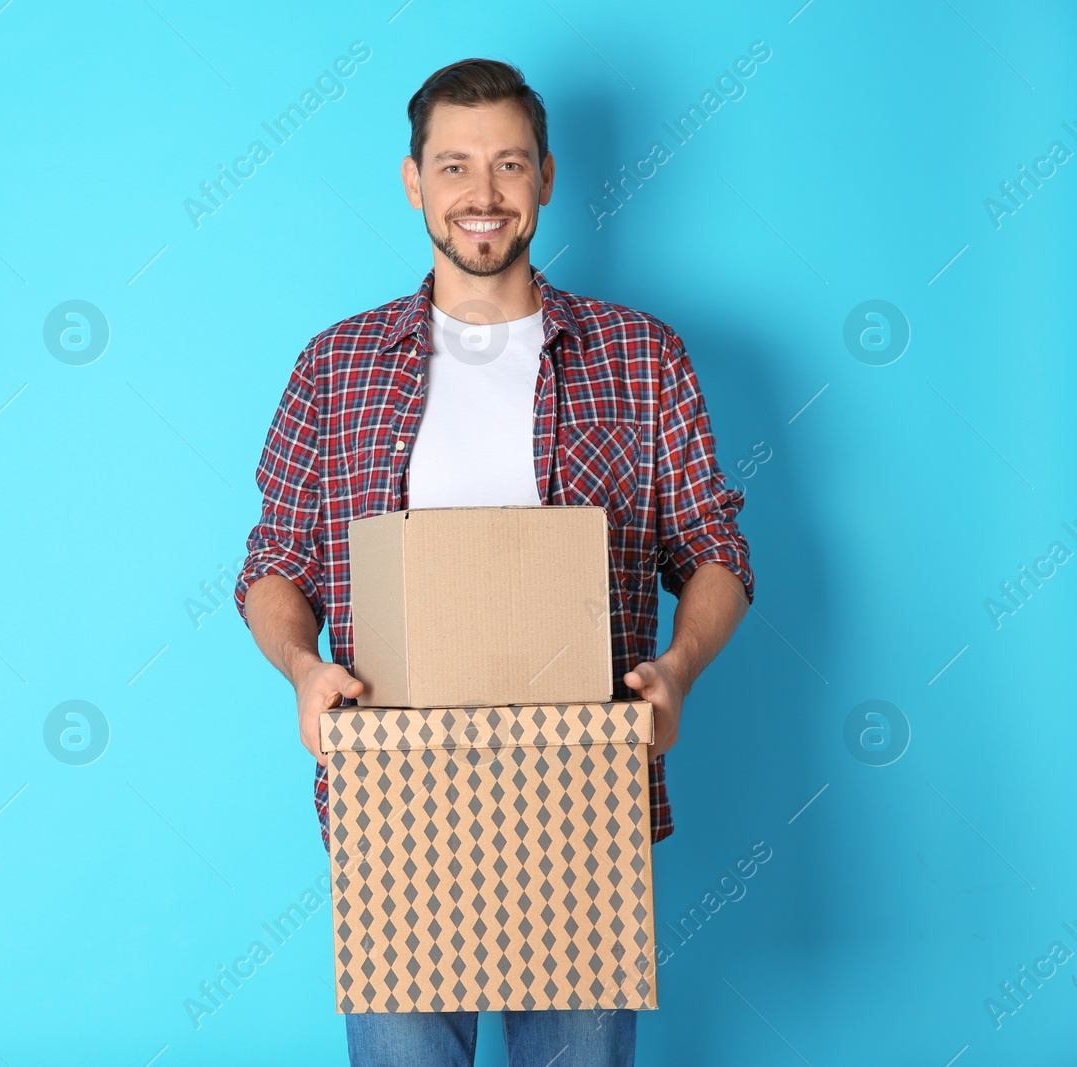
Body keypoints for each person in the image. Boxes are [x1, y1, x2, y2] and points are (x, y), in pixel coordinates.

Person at [233, 57, 755, 1067]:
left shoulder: (641, 357)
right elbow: (274, 561)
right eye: (456, 165)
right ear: (412, 179)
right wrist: (303, 670)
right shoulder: (334, 365)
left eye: (508, 165)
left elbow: (714, 547)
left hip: (580, 793)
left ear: (547, 178)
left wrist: (678, 670)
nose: (482, 194)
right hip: (391, 790)